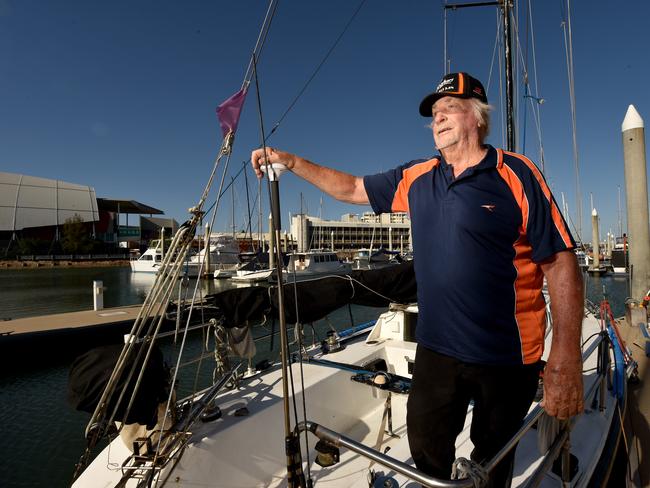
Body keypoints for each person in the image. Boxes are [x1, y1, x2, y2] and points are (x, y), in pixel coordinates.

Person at [251, 72, 584, 487]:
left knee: (494, 458)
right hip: (437, 349)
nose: (438, 120)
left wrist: (566, 359)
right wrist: (294, 162)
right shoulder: (419, 176)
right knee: (426, 449)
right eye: (434, 115)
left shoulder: (517, 174)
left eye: (450, 110)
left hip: (507, 356)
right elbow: (352, 188)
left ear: (478, 118)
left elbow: (560, 262)